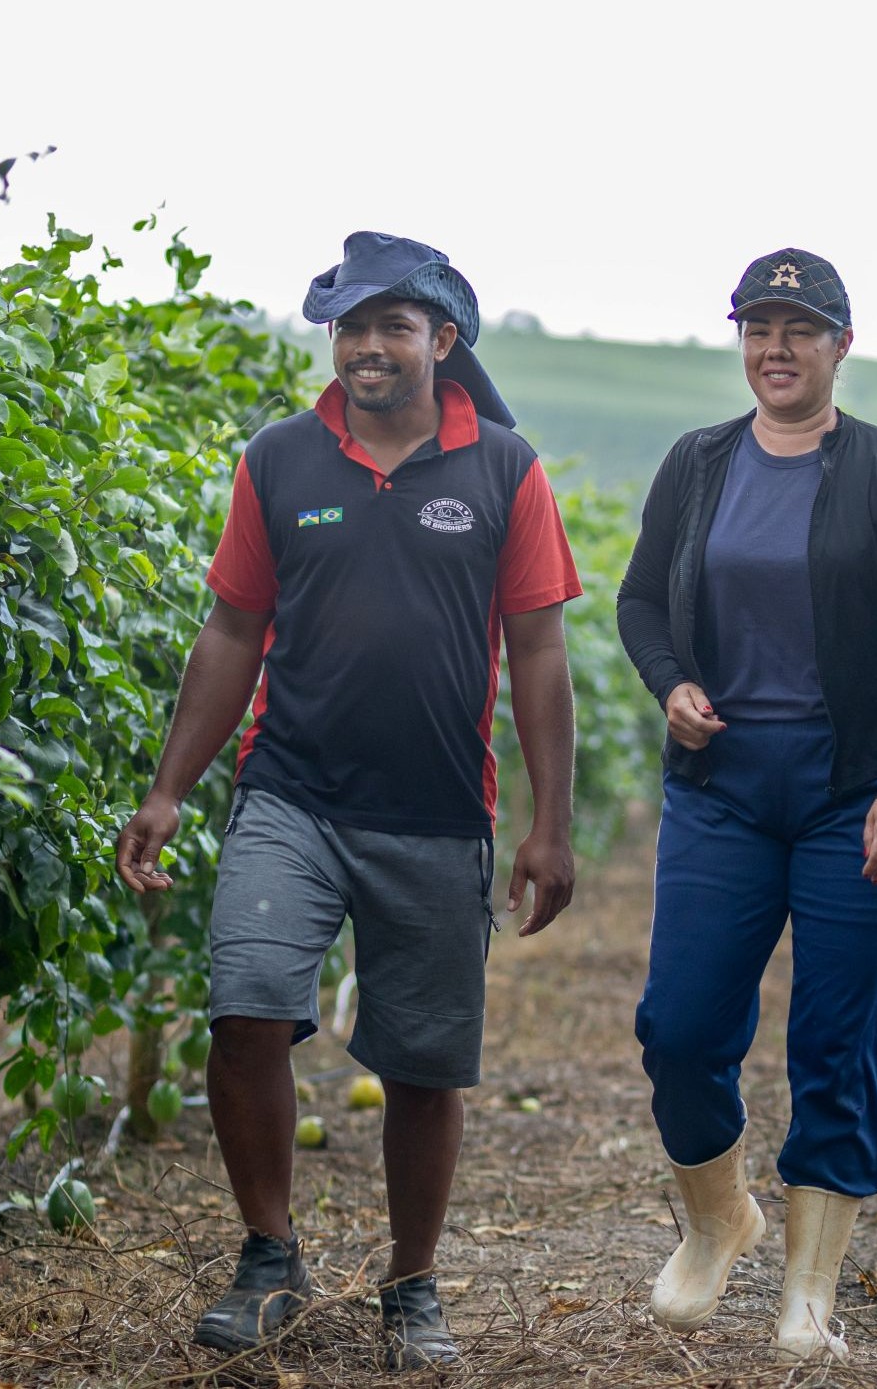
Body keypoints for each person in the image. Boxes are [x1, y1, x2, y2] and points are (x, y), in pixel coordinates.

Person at [115, 232, 582, 1371]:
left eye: (393, 327)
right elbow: (231, 628)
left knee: (423, 1065)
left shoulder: (504, 470)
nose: (367, 347)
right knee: (246, 1004)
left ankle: (411, 1285)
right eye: (349, 327)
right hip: (293, 793)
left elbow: (538, 652)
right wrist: (171, 788)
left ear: (443, 341)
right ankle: (269, 1256)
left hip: (434, 810)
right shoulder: (281, 459)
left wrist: (550, 822)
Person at [615, 248, 877, 1362]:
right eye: (758, 328)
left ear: (840, 346)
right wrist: (670, 681)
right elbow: (637, 602)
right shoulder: (698, 463)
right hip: (722, 788)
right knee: (678, 1025)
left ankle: (808, 1294)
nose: (774, 349)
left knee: (840, 1039)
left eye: (798, 331)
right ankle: (718, 1219)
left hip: (853, 797)